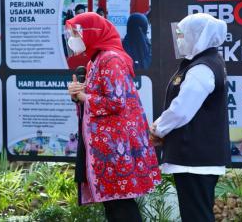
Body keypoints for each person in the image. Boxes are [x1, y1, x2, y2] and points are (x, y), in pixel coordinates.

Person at [67, 12, 160, 222]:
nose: (73, 39)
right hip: (105, 150)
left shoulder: (111, 59)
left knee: (121, 205)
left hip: (117, 149)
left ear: (91, 33)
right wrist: (77, 95)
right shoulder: (96, 61)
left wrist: (84, 96)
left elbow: (117, 102)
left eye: (76, 33)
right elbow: (93, 98)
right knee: (114, 205)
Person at [149, 13, 230, 222]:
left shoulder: (202, 67)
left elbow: (181, 110)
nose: (180, 40)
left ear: (199, 36)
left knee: (196, 216)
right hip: (197, 157)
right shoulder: (205, 63)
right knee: (197, 214)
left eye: (183, 35)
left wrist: (158, 129)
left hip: (195, 157)